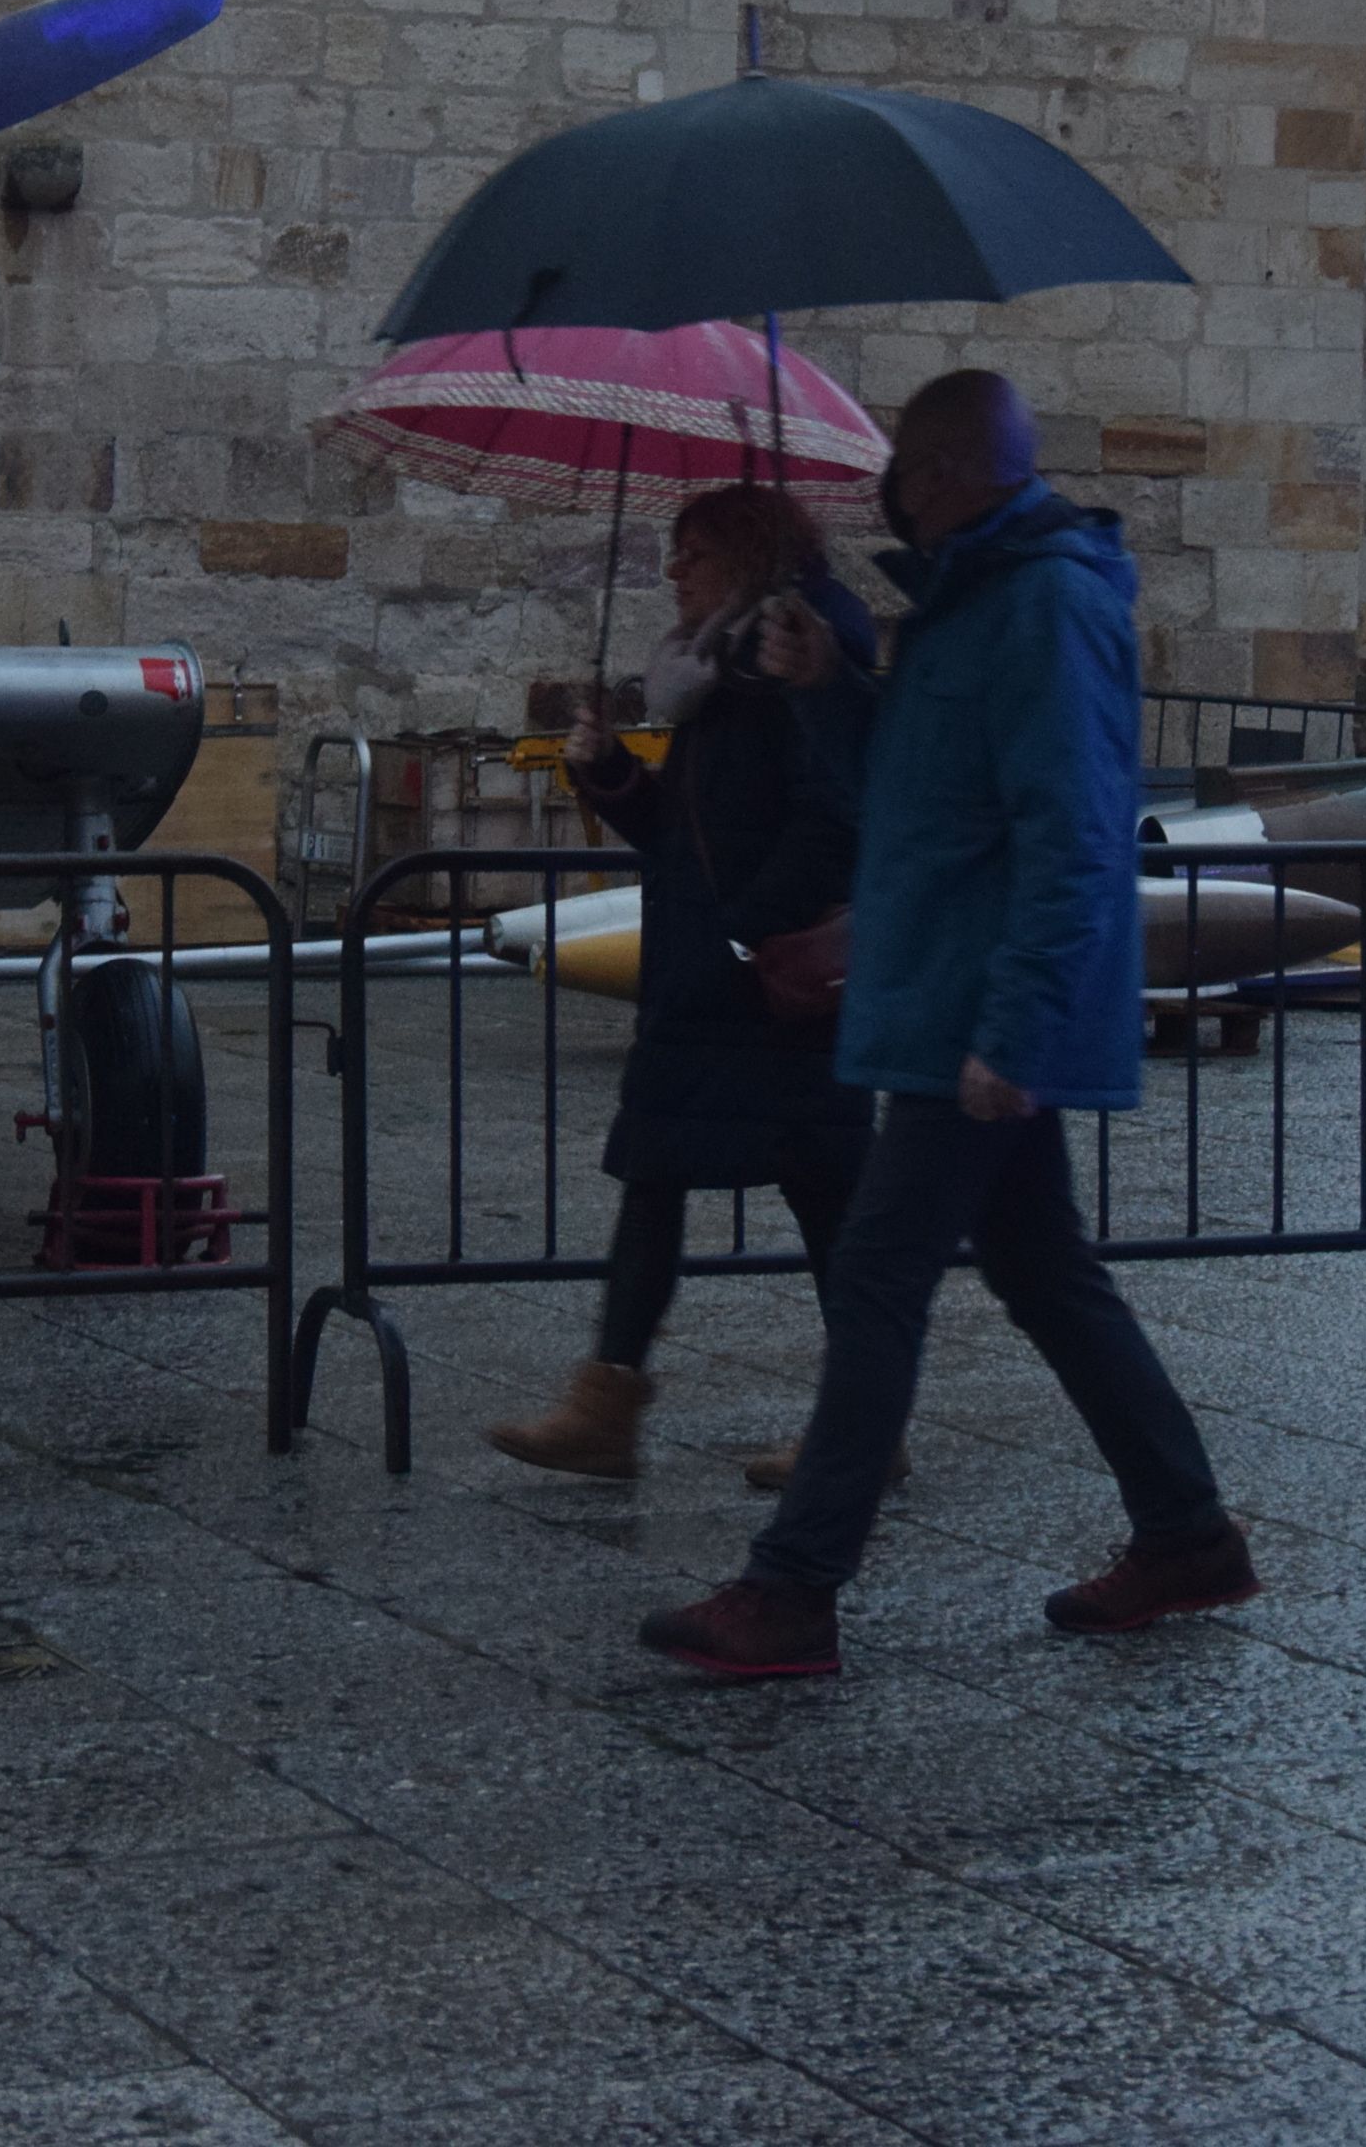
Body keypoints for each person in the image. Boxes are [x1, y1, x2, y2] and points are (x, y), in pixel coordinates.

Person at [635, 371, 1254, 1681]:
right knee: (1044, 1274)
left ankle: (795, 1588)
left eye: (908, 472)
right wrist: (826, 686)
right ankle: (1188, 1531)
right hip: (945, 1002)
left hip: (977, 1011)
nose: (888, 499)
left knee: (874, 1280)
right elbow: (911, 798)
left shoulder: (1047, 605)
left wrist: (1018, 1029)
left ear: (959, 471)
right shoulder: (967, 602)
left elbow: (1076, 835)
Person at [484, 486, 875, 1481]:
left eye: (690, 551)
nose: (671, 571)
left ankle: (862, 1422)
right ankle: (607, 1401)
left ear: (746, 555)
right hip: (706, 985)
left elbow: (832, 820)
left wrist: (744, 934)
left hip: (765, 987)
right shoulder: (715, 671)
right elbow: (686, 837)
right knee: (655, 1175)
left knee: (823, 1193)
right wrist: (611, 775)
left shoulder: (789, 655)